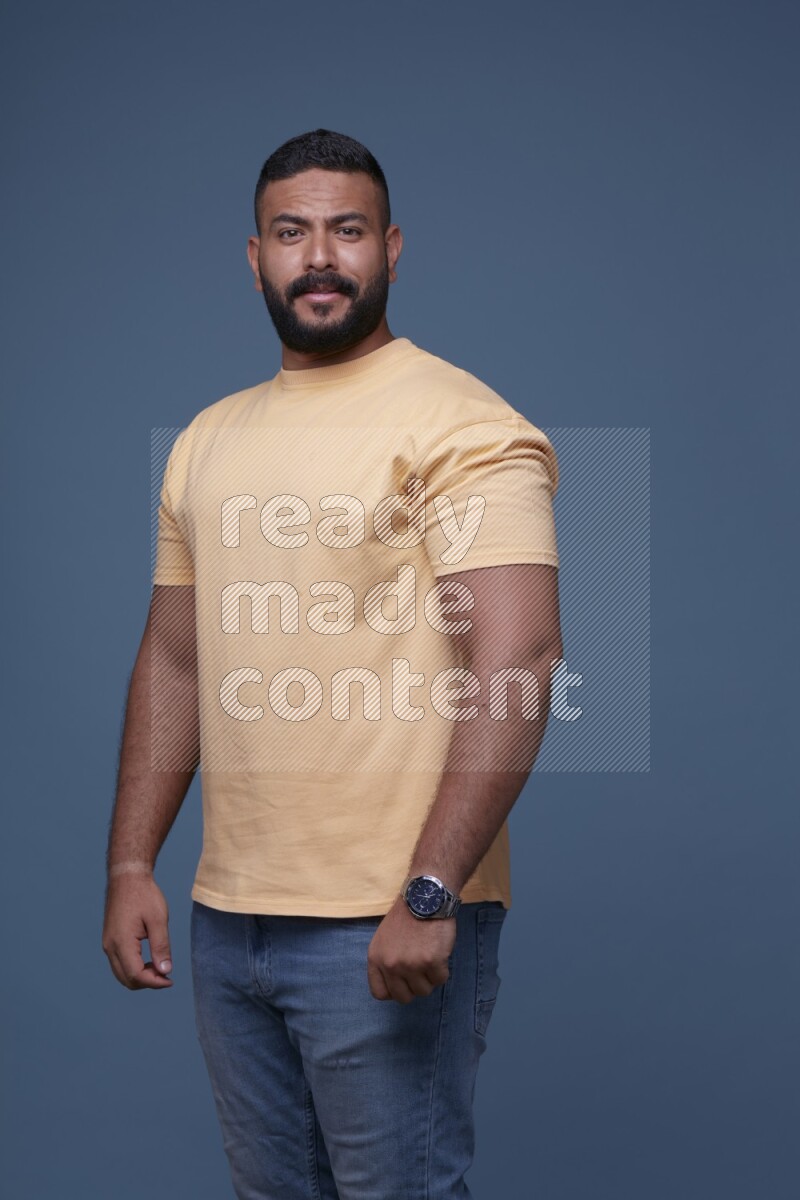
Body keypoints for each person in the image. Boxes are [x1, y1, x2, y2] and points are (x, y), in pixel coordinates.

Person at [102, 128, 563, 1199]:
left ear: (391, 248)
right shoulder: (207, 441)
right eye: (291, 232)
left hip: (386, 921)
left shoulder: (462, 422)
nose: (319, 257)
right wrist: (133, 863)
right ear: (253, 255)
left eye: (346, 230)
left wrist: (432, 891)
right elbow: (174, 662)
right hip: (230, 924)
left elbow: (521, 656)